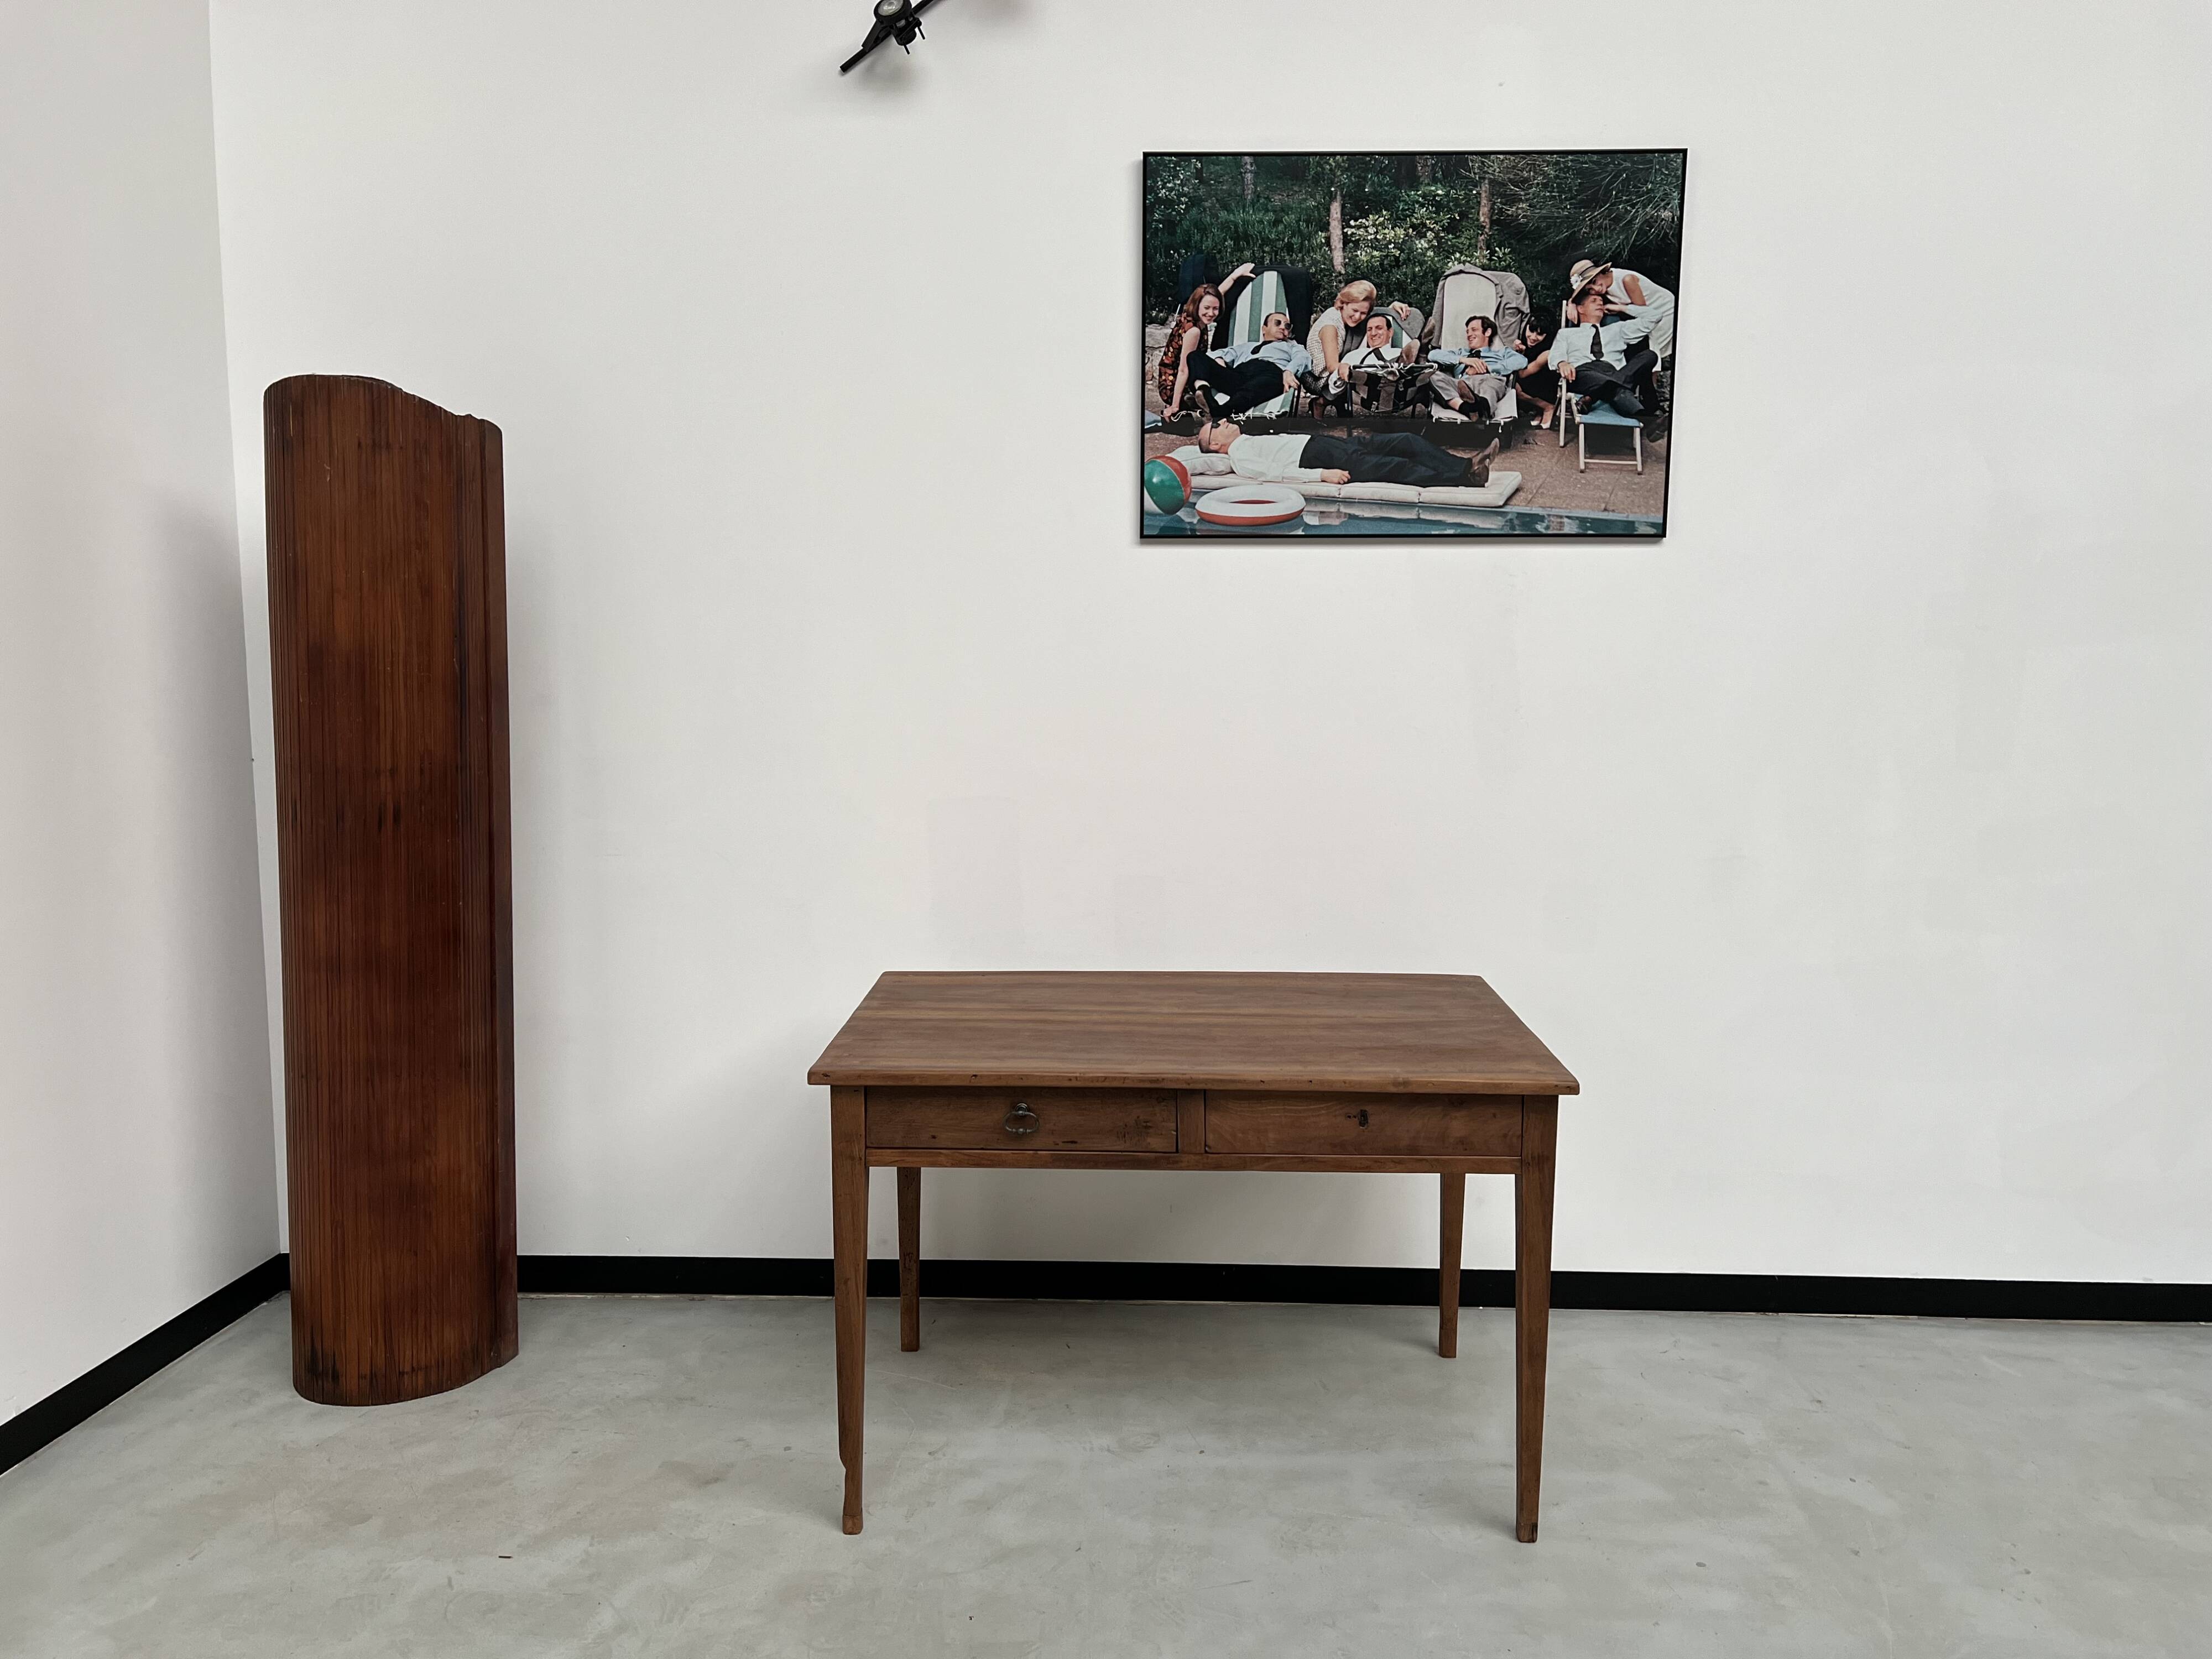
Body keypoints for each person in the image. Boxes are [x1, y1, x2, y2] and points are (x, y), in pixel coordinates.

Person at [1194, 417, 1497, 489]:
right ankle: (1466, 478)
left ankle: (1466, 463)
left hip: (1327, 444)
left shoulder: (1247, 438)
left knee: (1404, 439)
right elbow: (1273, 475)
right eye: (1217, 426)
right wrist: (1321, 475)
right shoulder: (1240, 456)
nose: (1223, 421)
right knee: (1393, 467)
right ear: (1216, 445)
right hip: (1318, 460)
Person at [1157, 262, 1259, 418]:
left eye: (1215, 309)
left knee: (1216, 362)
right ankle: (1190, 399)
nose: (1211, 313)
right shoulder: (1194, 331)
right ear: (1198, 306)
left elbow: (1217, 293)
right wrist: (1174, 405)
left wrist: (1235, 275)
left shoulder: (1190, 312)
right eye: (1207, 308)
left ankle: (1195, 399)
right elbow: (1184, 369)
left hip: (1171, 378)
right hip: (1175, 383)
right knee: (1225, 373)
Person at [1550, 285, 1660, 419]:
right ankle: (1645, 419)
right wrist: (1562, 363)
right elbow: (1556, 354)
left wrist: (1620, 308)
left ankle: (1591, 398)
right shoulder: (1567, 333)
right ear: (1581, 309)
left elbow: (1655, 316)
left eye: (1601, 301)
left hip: (1612, 371)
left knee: (1650, 355)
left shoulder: (1618, 330)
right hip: (1583, 373)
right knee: (1619, 388)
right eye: (1594, 301)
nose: (1600, 303)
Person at [1190, 310, 1312, 417]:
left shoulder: (1292, 346)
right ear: (1264, 329)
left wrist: (1289, 371)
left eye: (1287, 326)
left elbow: (1303, 358)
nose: (1283, 327)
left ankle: (1220, 412)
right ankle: (1205, 393)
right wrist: (1220, 361)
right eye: (1277, 323)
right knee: (1195, 356)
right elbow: (1214, 354)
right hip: (1239, 376)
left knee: (1261, 384)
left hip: (1270, 374)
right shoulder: (1247, 346)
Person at [1425, 314, 1527, 423]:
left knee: (1490, 384)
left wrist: (1487, 368)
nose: (1469, 335)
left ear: (1488, 332)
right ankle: (1467, 408)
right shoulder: (1461, 353)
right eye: (1468, 332)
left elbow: (1522, 361)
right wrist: (1463, 360)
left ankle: (1482, 409)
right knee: (1431, 374)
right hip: (1461, 385)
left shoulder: (1502, 352)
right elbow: (1433, 355)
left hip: (1488, 379)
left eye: (1474, 330)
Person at [1568, 258, 1676, 358]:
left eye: (1595, 282)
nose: (1596, 289)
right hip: (1650, 316)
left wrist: (1616, 307)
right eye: (1590, 289)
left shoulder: (1627, 280)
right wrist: (1571, 303)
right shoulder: (1603, 286)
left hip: (1665, 310)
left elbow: (1643, 313)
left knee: (1651, 351)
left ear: (1600, 272)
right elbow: (1582, 299)